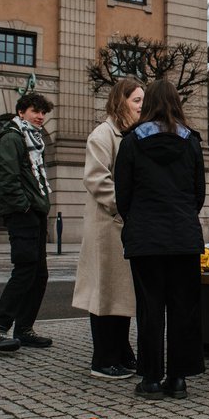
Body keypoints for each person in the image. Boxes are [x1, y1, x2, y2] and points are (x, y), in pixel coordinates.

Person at [115, 80, 206, 400]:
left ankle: (151, 378)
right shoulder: (191, 142)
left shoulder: (131, 142)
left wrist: (137, 220)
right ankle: (178, 378)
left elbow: (122, 194)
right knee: (183, 308)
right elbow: (198, 194)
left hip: (145, 236)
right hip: (183, 235)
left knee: (150, 308)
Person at [72, 77, 143, 380]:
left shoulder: (129, 134)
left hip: (124, 226)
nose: (142, 106)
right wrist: (127, 206)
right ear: (121, 101)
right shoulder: (103, 135)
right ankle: (102, 358)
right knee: (104, 294)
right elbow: (98, 181)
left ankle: (121, 351)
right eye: (137, 101)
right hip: (108, 226)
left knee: (122, 294)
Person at [0, 92, 56, 353]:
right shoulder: (13, 138)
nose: (40, 117)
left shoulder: (33, 139)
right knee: (25, 270)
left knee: (39, 274)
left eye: (43, 113)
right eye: (35, 111)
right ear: (22, 112)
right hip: (23, 213)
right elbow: (8, 177)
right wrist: (24, 206)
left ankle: (24, 329)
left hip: (35, 212)